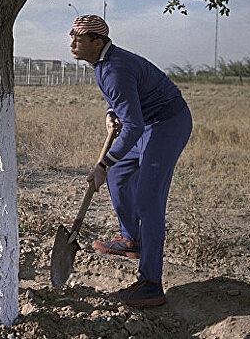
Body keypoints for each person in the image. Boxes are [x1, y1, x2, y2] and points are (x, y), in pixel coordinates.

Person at [69, 15, 193, 306]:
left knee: (149, 201)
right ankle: (131, 240)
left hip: (167, 123)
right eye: (71, 35)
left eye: (79, 38)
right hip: (146, 123)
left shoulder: (113, 69)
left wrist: (103, 164)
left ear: (97, 42)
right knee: (119, 175)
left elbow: (133, 126)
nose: (72, 43)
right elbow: (125, 103)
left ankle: (151, 283)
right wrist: (112, 113)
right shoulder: (103, 63)